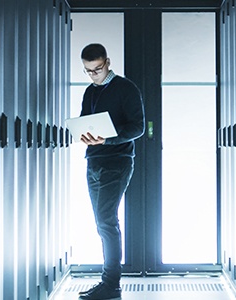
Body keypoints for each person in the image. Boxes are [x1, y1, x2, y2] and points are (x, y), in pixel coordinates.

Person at [77, 43, 145, 300]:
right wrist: (84, 135)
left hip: (117, 161)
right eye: (88, 71)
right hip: (93, 161)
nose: (94, 75)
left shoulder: (126, 89)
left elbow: (137, 127)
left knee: (107, 222)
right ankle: (109, 283)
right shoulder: (89, 92)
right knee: (102, 223)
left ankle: (111, 284)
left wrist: (107, 139)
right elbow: (85, 120)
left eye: (97, 69)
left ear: (108, 62)